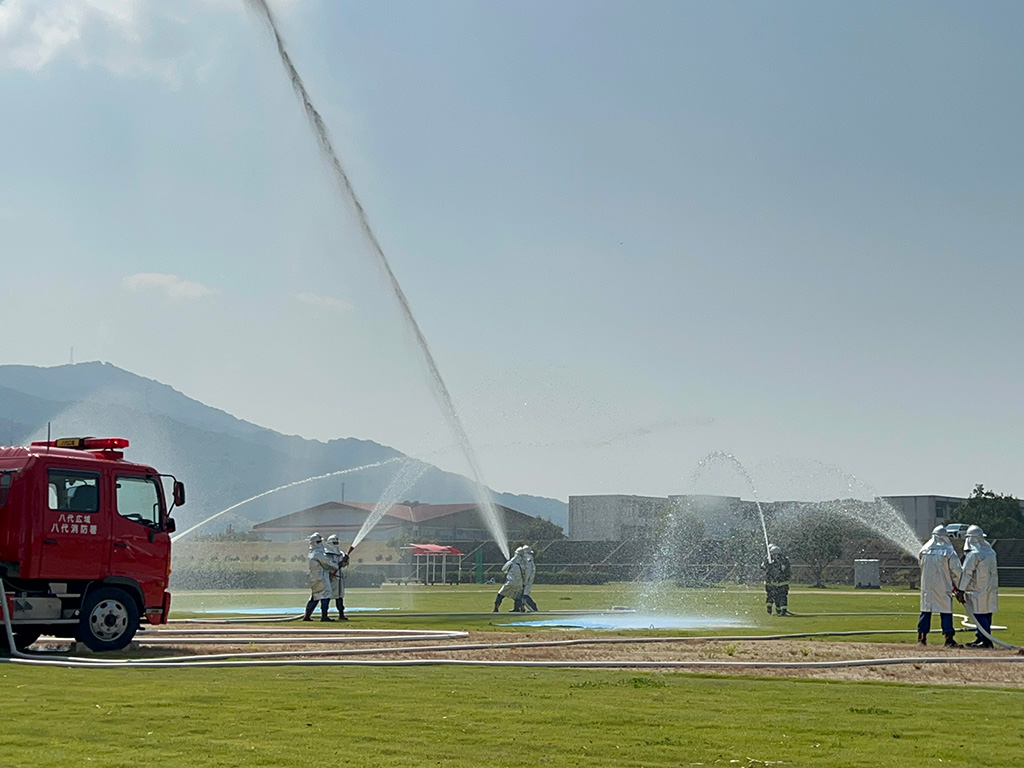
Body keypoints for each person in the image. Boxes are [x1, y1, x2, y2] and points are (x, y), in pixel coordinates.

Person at [918, 525, 964, 647]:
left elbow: (921, 566)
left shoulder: (924, 550)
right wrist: (960, 587)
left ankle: (922, 638)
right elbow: (957, 571)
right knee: (946, 611)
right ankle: (948, 638)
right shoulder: (949, 552)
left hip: (927, 587)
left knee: (926, 611)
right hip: (944, 586)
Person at [958, 525, 998, 648]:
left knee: (980, 615)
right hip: (990, 589)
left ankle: (986, 641)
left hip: (977, 590)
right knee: (986, 614)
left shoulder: (974, 554)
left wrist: (961, 590)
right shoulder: (990, 552)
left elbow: (967, 573)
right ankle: (981, 637)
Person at [302, 532, 336, 622]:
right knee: (325, 596)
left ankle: (307, 616)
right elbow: (327, 563)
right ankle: (324, 616)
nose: (320, 543)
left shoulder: (312, 553)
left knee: (315, 597)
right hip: (321, 579)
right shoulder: (318, 553)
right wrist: (337, 565)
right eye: (319, 541)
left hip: (314, 579)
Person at [325, 534, 350, 621]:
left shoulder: (341, 554)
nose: (336, 544)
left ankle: (341, 614)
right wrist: (336, 565)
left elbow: (343, 565)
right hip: (330, 578)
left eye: (337, 543)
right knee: (327, 596)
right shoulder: (326, 554)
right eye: (334, 543)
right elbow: (327, 565)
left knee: (339, 597)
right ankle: (324, 614)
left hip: (339, 578)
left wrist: (346, 560)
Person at [493, 546, 527, 612]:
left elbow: (503, 569)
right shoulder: (523, 563)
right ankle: (519, 608)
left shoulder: (512, 562)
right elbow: (524, 574)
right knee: (517, 597)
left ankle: (496, 608)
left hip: (510, 582)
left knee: (500, 594)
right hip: (519, 583)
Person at [761, 544, 791, 616]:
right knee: (782, 596)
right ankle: (781, 610)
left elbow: (762, 566)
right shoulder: (783, 559)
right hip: (780, 582)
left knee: (772, 595)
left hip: (772, 582)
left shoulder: (769, 559)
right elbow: (784, 569)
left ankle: (775, 608)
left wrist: (770, 564)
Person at [521, 546, 539, 612]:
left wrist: (524, 581)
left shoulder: (528, 560)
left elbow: (527, 573)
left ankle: (533, 608)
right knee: (520, 595)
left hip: (527, 581)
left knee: (524, 595)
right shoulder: (529, 559)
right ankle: (520, 608)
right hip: (527, 580)